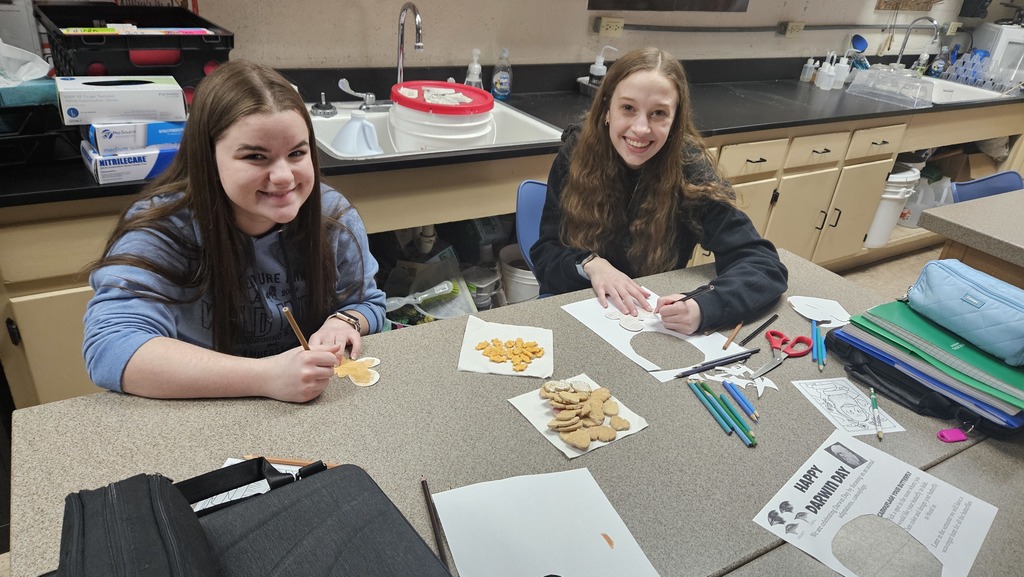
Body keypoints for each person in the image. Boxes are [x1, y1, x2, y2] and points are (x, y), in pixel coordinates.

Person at [83, 60, 386, 403]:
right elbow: (110, 348)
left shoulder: (332, 217)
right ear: (207, 158)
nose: (285, 177)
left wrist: (345, 321)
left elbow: (366, 302)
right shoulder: (162, 230)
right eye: (256, 156)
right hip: (202, 409)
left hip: (306, 406)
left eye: (297, 153)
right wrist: (267, 377)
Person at [530, 47, 788, 335]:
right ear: (606, 110)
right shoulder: (577, 154)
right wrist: (591, 264)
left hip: (648, 321)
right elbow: (546, 252)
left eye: (658, 114)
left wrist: (706, 305)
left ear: (675, 121)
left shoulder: (689, 172)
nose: (641, 128)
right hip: (574, 306)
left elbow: (763, 266)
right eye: (627, 108)